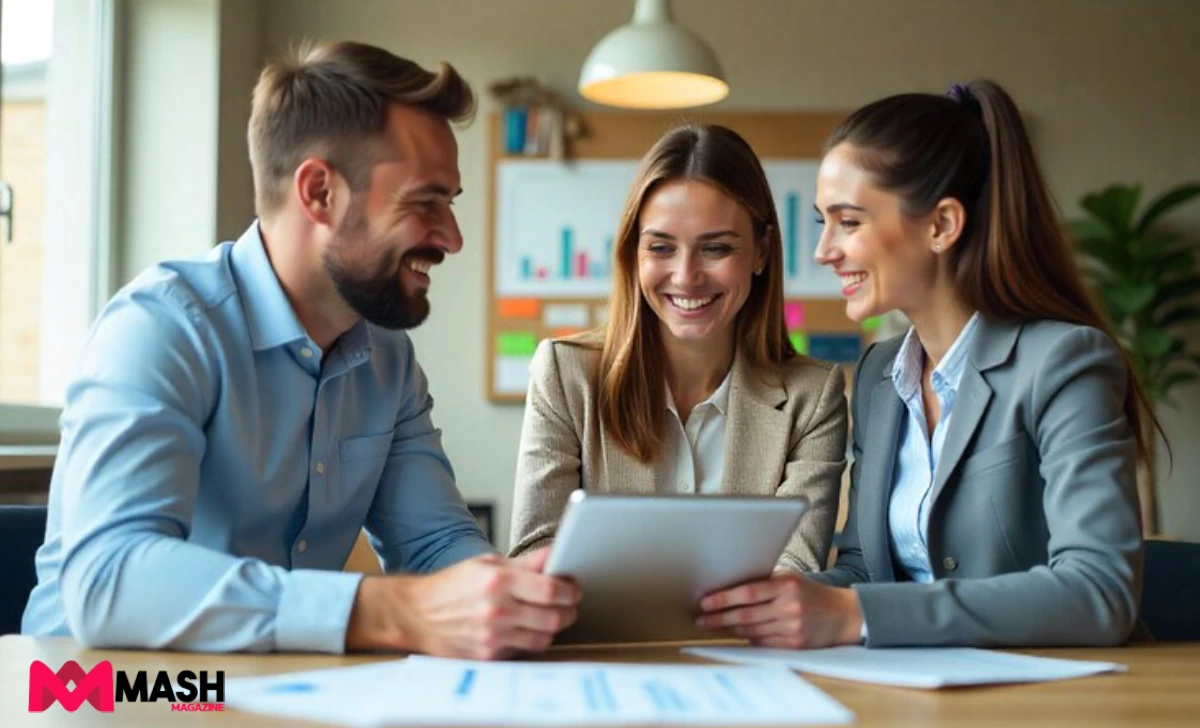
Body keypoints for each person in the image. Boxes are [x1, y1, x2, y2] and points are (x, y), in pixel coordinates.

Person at [23, 41, 579, 659]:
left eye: (450, 203)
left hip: (273, 693)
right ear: (319, 192)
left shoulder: (388, 360)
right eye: (426, 203)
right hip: (102, 696)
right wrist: (387, 610)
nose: (452, 238)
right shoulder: (161, 329)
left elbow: (433, 546)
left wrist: (516, 595)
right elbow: (110, 580)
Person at [696, 80, 1153, 648]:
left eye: (850, 222)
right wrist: (762, 599)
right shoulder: (880, 375)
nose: (824, 251)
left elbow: (1098, 592)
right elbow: (865, 572)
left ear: (941, 226)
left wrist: (853, 614)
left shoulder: (1063, 363)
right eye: (823, 222)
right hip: (912, 692)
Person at [508, 124, 847, 579]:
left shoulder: (813, 397)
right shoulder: (565, 375)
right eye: (661, 248)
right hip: (602, 646)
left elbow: (794, 574)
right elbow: (535, 557)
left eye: (716, 248)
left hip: (750, 648)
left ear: (762, 251)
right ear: (634, 254)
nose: (686, 277)